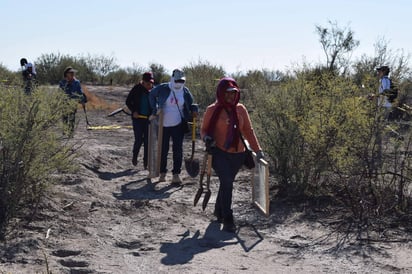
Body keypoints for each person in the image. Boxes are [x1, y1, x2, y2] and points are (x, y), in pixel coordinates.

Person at [201, 77, 264, 233]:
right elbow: (203, 130)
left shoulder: (240, 109)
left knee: (226, 183)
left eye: (234, 93)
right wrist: (207, 138)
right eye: (228, 93)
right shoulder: (212, 110)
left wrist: (258, 150)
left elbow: (249, 131)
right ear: (221, 93)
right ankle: (228, 219)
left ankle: (218, 210)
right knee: (227, 182)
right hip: (219, 153)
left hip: (238, 154)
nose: (231, 96)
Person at [149, 69, 198, 185]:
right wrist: (155, 109)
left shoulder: (185, 91)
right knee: (163, 149)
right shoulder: (163, 88)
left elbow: (191, 104)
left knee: (177, 150)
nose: (179, 83)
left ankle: (176, 174)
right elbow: (151, 95)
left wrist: (194, 109)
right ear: (172, 79)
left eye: (182, 81)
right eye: (177, 80)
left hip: (178, 124)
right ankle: (162, 173)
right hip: (163, 125)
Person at [125, 72, 154, 168]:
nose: (150, 86)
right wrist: (134, 111)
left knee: (147, 141)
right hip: (137, 119)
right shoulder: (136, 89)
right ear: (143, 82)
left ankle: (146, 162)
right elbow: (128, 101)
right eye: (148, 84)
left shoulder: (153, 91)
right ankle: (135, 156)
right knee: (138, 140)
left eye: (151, 83)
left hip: (148, 120)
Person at [59, 67, 87, 135]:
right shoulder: (62, 82)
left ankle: (71, 132)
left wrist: (82, 100)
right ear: (66, 74)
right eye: (70, 73)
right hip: (65, 102)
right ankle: (65, 131)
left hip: (73, 102)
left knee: (72, 117)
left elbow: (80, 92)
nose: (72, 74)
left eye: (73, 73)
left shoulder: (76, 82)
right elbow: (60, 92)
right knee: (65, 117)